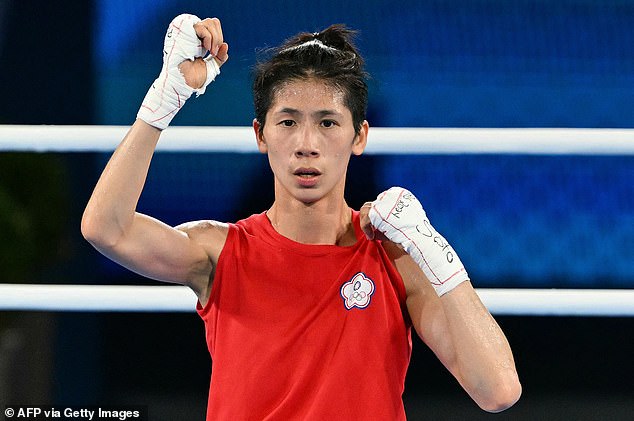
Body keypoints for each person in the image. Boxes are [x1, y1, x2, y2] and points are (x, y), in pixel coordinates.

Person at [81, 13, 521, 420]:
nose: (306, 144)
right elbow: (105, 229)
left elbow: (498, 390)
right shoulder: (220, 250)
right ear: (261, 134)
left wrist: (431, 246)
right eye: (288, 122)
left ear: (359, 136)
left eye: (327, 123)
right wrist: (164, 100)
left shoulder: (397, 258)